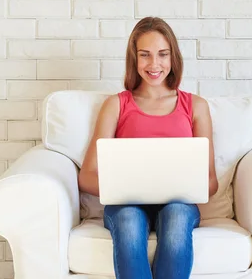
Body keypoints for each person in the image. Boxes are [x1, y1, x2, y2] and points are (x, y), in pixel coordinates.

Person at [78, 16, 219, 279]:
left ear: (173, 58)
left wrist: (177, 184)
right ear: (134, 59)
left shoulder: (196, 106)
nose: (154, 64)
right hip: (127, 204)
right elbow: (86, 176)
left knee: (177, 217)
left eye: (162, 54)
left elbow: (210, 183)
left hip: (178, 204)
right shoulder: (116, 105)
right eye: (145, 55)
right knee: (129, 221)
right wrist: (125, 187)